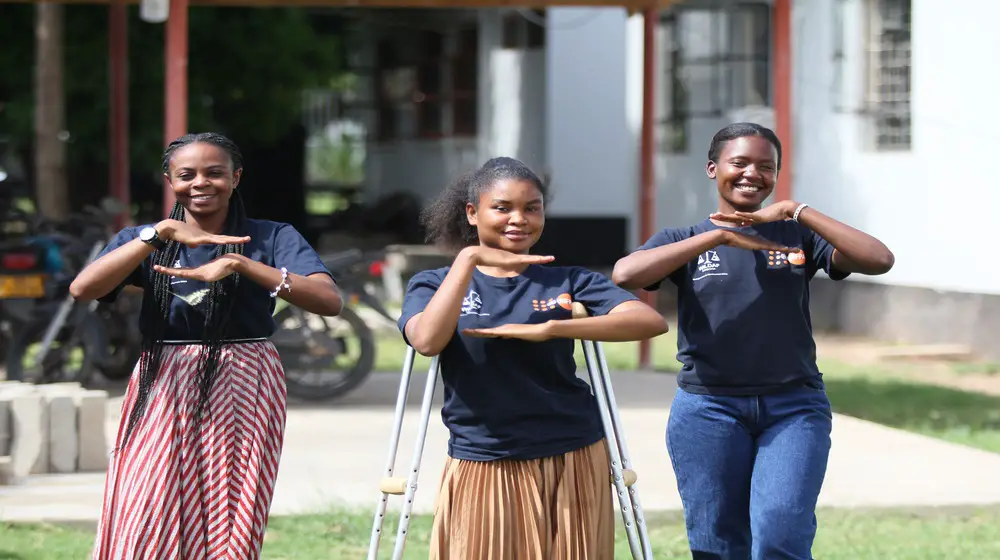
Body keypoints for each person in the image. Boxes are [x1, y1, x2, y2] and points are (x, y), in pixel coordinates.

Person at [612, 122, 895, 559]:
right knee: (716, 544)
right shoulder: (684, 240)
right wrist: (721, 236)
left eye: (766, 166)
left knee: (782, 535)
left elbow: (879, 259)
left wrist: (796, 211)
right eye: (739, 162)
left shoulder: (798, 237)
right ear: (713, 168)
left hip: (794, 408)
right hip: (708, 409)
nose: (752, 174)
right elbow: (626, 275)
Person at [69, 132, 343, 559]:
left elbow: (329, 300)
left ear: (236, 178)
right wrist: (157, 234)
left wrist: (241, 264)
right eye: (187, 174)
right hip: (164, 376)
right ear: (169, 180)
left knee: (230, 506)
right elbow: (83, 288)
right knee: (144, 499)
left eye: (215, 173)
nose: (201, 182)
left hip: (245, 375)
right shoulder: (145, 238)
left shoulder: (270, 236)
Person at [398, 156, 668, 559]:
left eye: (532, 208)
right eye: (502, 208)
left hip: (572, 451)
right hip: (486, 454)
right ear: (472, 213)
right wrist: (468, 260)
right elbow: (426, 340)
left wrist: (552, 328)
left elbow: (647, 321)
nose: (519, 219)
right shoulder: (435, 283)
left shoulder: (568, 280)